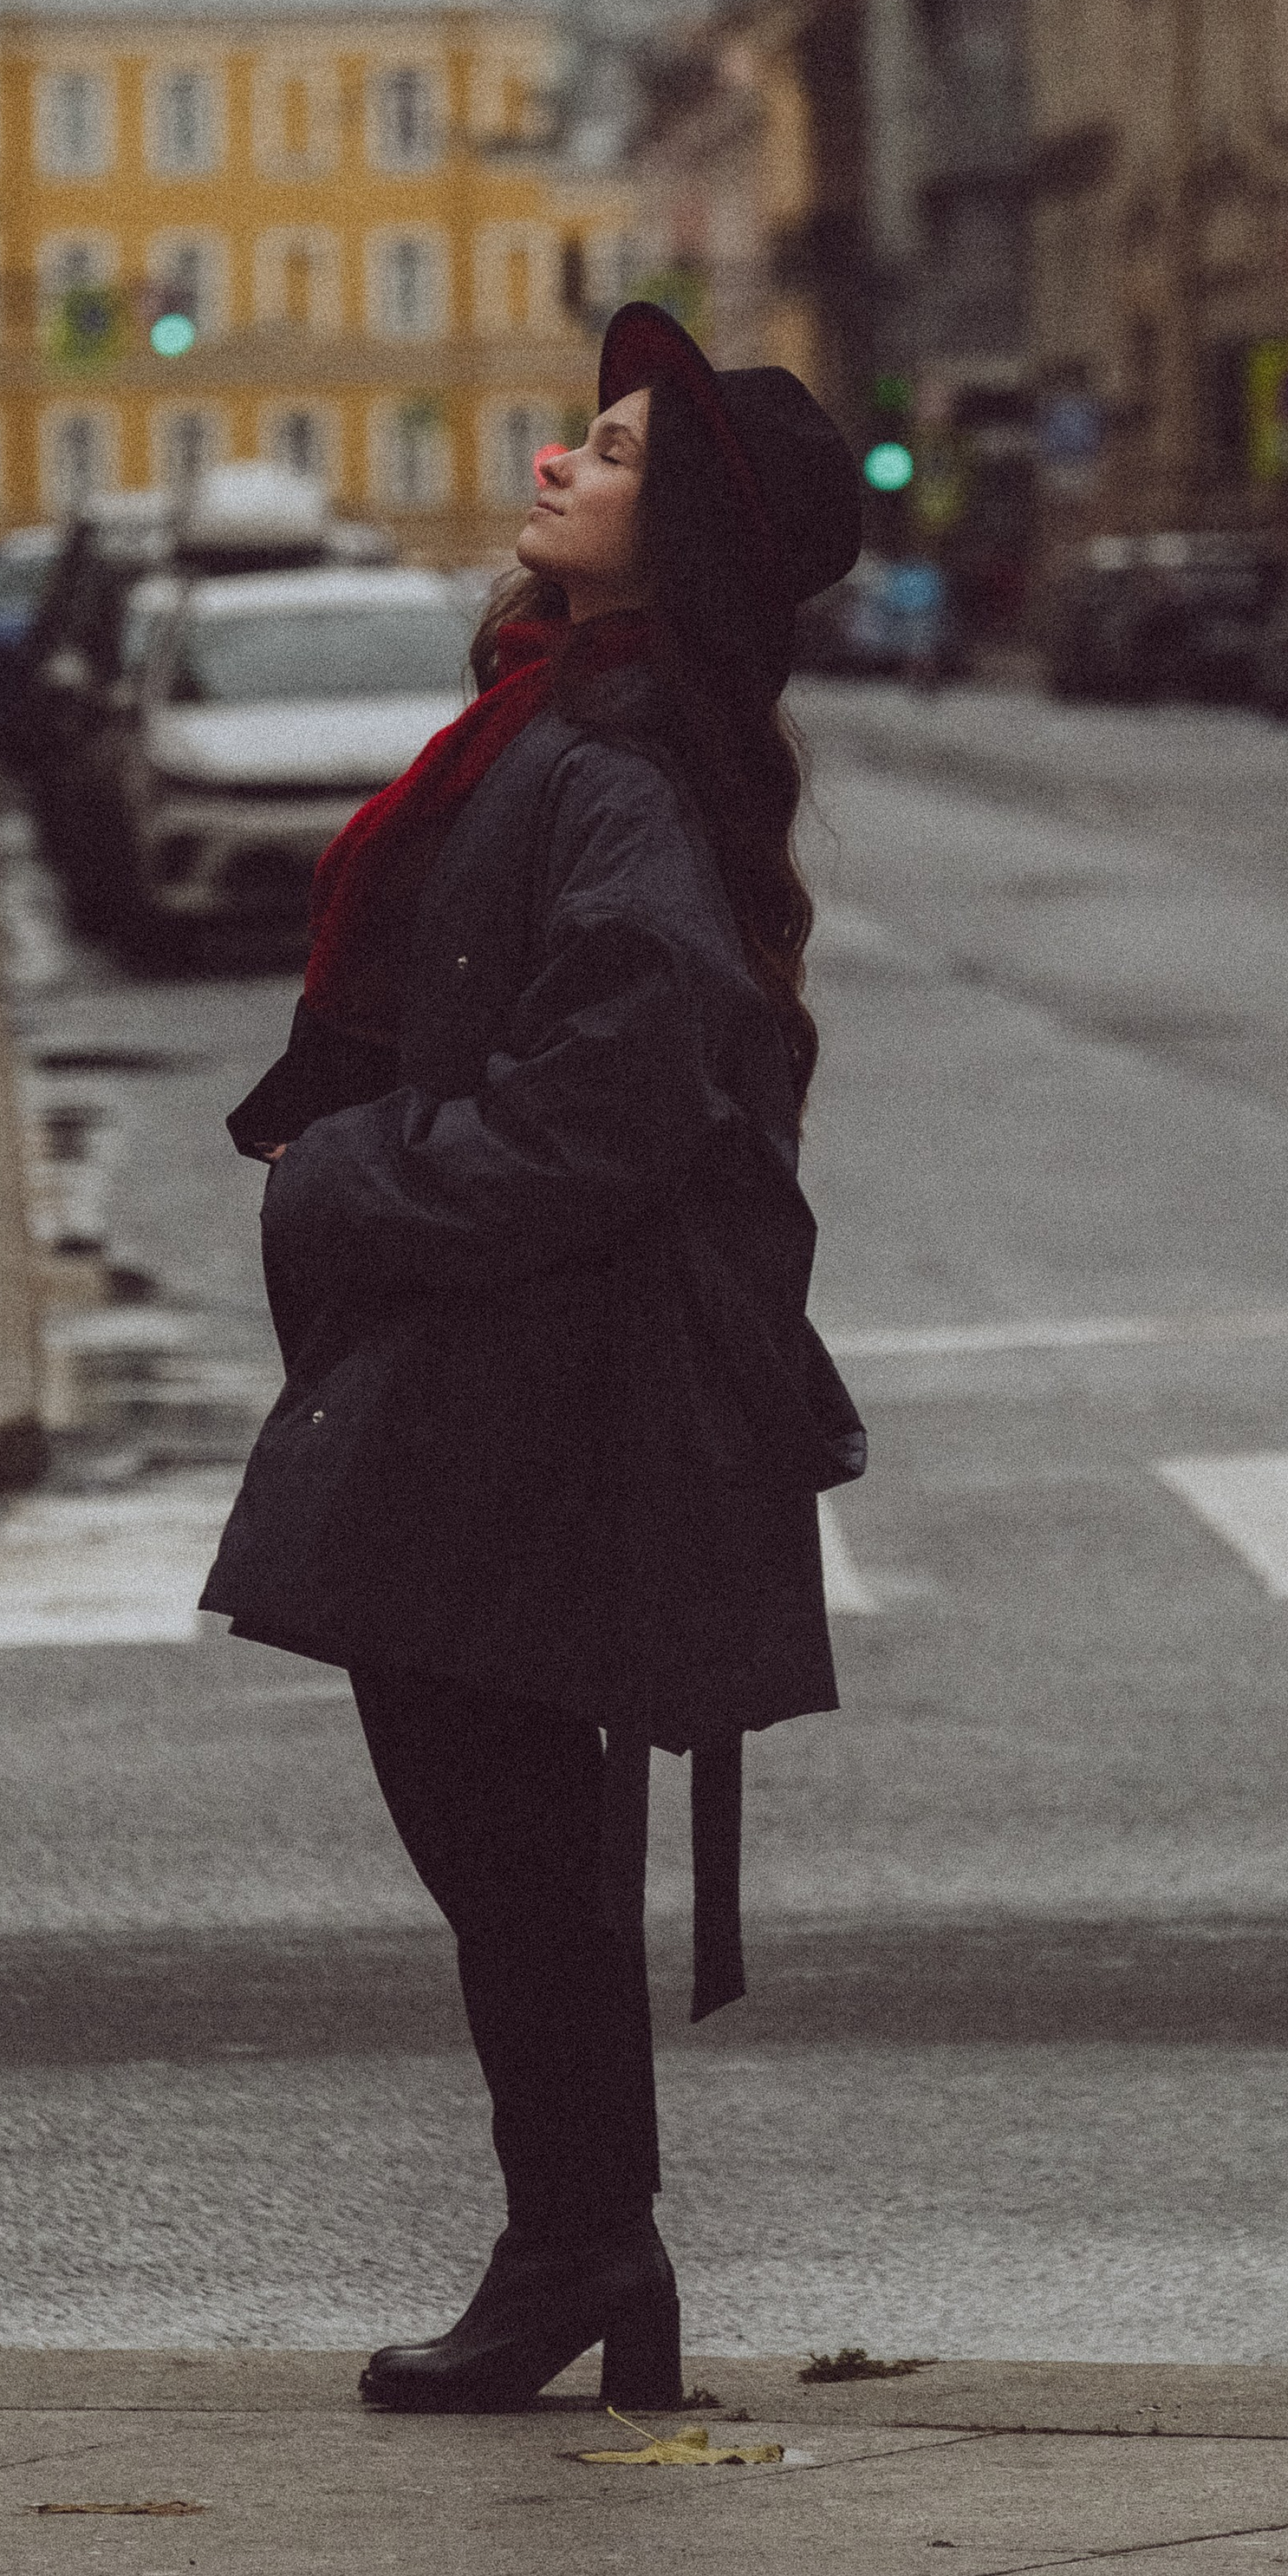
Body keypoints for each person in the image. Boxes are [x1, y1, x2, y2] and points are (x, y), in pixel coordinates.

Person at [201, 303, 868, 2414]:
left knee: (499, 1831)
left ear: (672, 540)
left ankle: (578, 2244)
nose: (558, 461)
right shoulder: (564, 723)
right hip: (528, 1363)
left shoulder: (606, 760)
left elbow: (624, 1079)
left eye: (605, 447)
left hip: (550, 1377)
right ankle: (586, 2247)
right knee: (509, 1835)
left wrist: (355, 1178)